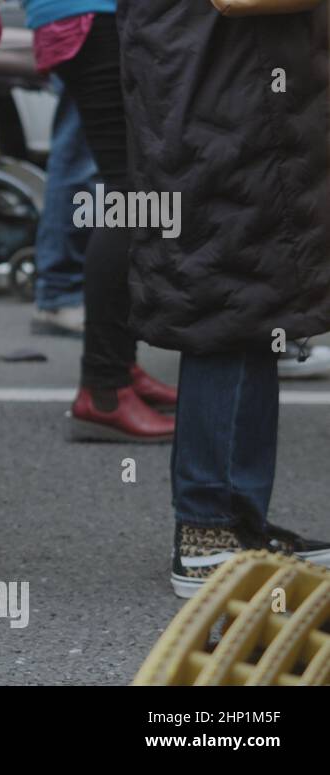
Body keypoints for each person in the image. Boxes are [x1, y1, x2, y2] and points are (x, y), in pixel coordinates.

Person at [118, 1, 330, 597]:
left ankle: (235, 518)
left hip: (222, 73)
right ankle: (207, 529)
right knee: (226, 296)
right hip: (226, 81)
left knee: (252, 302)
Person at [21, 0, 177, 444]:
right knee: (134, 194)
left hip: (84, 19)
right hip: (96, 17)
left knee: (138, 188)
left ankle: (118, 366)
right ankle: (104, 389)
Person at [31, 78, 95, 338]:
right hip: (89, 42)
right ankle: (60, 293)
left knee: (90, 154)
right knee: (82, 156)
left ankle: (62, 291)